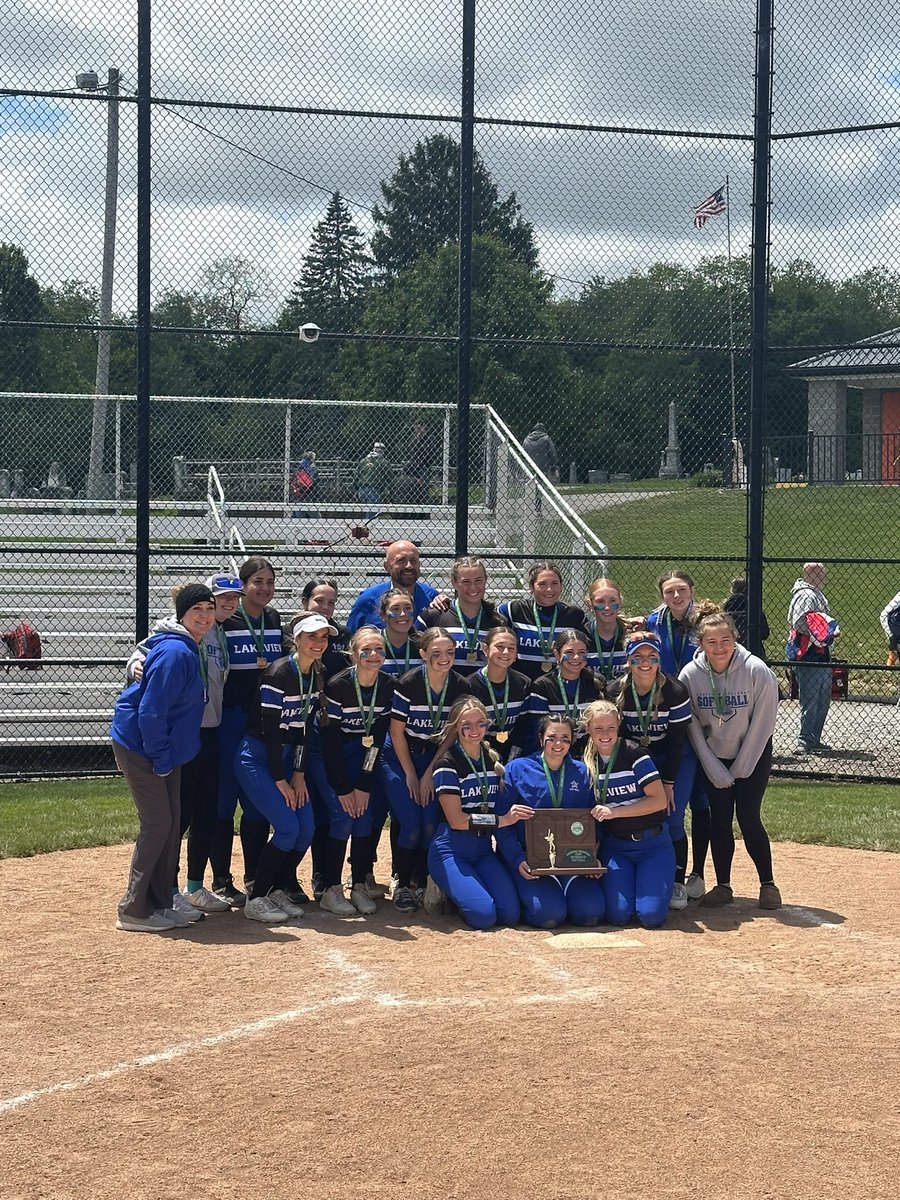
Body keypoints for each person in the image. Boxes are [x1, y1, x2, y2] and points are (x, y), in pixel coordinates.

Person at [125, 574, 244, 916]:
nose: (224, 604)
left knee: (205, 810)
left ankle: (194, 886)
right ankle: (169, 888)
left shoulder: (221, 631)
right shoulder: (175, 633)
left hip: (211, 730)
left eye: (228, 599)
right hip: (184, 731)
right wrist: (134, 662)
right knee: (179, 814)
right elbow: (144, 651)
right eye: (217, 599)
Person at [110, 583, 216, 932]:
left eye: (208, 607)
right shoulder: (177, 652)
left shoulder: (189, 646)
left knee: (170, 826)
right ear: (182, 614)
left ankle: (159, 902)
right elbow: (151, 712)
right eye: (196, 608)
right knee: (158, 825)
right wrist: (160, 758)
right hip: (144, 747)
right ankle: (134, 909)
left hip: (163, 748)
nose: (204, 614)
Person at [679, 607, 782, 910]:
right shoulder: (691, 675)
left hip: (753, 754)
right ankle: (723, 885)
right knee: (719, 821)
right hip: (715, 758)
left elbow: (764, 723)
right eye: (712, 642)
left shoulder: (757, 670)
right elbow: (693, 726)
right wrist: (714, 768)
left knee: (749, 817)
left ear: (735, 639)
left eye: (726, 640)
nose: (719, 647)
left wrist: (740, 768)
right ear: (701, 645)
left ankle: (768, 883)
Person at [234, 611, 334, 923]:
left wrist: (299, 775)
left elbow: (303, 727)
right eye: (311, 637)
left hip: (288, 758)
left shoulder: (316, 673)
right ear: (297, 640)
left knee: (306, 830)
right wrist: (280, 779)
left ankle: (277, 888)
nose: (319, 643)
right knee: (288, 827)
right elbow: (270, 731)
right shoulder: (279, 673)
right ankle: (257, 897)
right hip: (259, 756)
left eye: (324, 637)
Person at [212, 556, 286, 907]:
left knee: (257, 803)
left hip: (261, 721)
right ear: (242, 586)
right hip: (230, 716)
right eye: (257, 581)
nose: (265, 588)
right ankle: (221, 879)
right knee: (223, 800)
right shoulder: (226, 618)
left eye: (270, 582)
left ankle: (256, 874)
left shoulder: (273, 619)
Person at [305, 627, 395, 917]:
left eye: (379, 650)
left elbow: (377, 739)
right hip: (328, 754)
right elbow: (329, 741)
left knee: (364, 815)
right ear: (353, 654)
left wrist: (364, 784)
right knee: (343, 814)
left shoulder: (387, 685)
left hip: (360, 751)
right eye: (366, 650)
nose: (373, 655)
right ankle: (331, 889)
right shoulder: (338, 685)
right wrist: (344, 788)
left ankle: (358, 884)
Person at [378, 628, 468, 913]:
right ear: (423, 654)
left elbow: (452, 735)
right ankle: (401, 883)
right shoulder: (409, 682)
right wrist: (411, 774)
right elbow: (396, 732)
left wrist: (429, 772)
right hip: (399, 757)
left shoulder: (459, 685)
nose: (444, 658)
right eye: (436, 653)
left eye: (450, 653)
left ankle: (422, 881)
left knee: (430, 823)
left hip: (433, 757)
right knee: (411, 822)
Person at [606, 631, 695, 911]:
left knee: (673, 816)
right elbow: (616, 737)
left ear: (659, 660)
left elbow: (677, 739)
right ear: (628, 661)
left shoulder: (675, 690)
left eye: (652, 657)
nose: (645, 663)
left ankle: (677, 880)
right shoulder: (615, 690)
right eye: (638, 657)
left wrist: (668, 782)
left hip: (672, 756)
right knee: (633, 809)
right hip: (634, 760)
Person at [426, 697, 529, 929]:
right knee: (484, 916)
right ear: (455, 727)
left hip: (482, 849)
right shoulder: (447, 763)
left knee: (510, 914)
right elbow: (458, 820)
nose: (475, 730)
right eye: (466, 725)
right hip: (451, 848)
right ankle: (444, 888)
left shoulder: (492, 760)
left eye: (480, 723)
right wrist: (503, 820)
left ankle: (464, 891)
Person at [497, 714, 604, 928]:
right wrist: (518, 859)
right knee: (549, 916)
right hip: (531, 862)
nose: (558, 744)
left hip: (571, 861)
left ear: (572, 741)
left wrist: (592, 856)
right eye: (552, 737)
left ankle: (565, 896)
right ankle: (523, 897)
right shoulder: (517, 769)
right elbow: (502, 823)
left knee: (591, 914)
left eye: (565, 738)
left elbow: (593, 821)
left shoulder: (582, 772)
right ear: (540, 739)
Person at [582, 699, 674, 929]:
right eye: (598, 728)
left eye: (611, 728)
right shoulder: (585, 761)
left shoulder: (635, 754)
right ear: (588, 729)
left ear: (618, 726)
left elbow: (659, 800)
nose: (605, 734)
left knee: (650, 917)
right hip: (616, 847)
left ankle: (654, 887)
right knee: (618, 915)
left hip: (652, 844)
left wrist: (614, 812)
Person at [416, 556, 504, 676]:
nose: (473, 587)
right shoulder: (434, 615)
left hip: (482, 692)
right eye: (466, 582)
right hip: (444, 691)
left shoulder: (497, 621)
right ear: (454, 583)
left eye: (478, 580)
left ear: (485, 581)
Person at [498, 561, 586, 680]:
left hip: (558, 686)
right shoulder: (513, 611)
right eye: (542, 584)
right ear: (531, 586)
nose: (549, 589)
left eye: (554, 583)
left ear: (561, 586)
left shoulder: (574, 615)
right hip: (519, 684)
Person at [527, 629, 603, 757]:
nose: (576, 657)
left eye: (581, 653)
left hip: (589, 752)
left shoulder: (595, 682)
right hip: (554, 752)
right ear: (556, 654)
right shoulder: (542, 686)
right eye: (569, 652)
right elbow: (539, 730)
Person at [787, 562, 836, 757]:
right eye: (822, 573)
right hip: (808, 652)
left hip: (820, 652)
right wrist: (821, 631)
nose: (825, 576)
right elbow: (799, 622)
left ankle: (814, 738)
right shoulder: (806, 595)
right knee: (811, 698)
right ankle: (805, 739)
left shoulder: (815, 593)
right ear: (813, 573)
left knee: (822, 698)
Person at [464, 626, 531, 762]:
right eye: (499, 646)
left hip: (511, 753)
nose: (506, 652)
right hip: (478, 751)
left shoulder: (523, 683)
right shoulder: (469, 685)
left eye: (511, 648)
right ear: (485, 649)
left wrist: (513, 758)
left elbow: (522, 726)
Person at [346, 539, 444, 632]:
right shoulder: (368, 600)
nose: (409, 566)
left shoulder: (432, 598)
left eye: (413, 560)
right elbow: (350, 640)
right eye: (401, 560)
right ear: (387, 566)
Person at [585, 577, 629, 683]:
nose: (607, 607)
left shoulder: (631, 634)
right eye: (600, 602)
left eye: (612, 601)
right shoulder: (582, 635)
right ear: (590, 604)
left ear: (620, 601)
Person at [723, 577, 770, 647]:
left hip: (731, 646)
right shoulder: (754, 607)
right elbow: (765, 633)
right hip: (754, 647)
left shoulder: (725, 607)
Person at [355, 441, 393, 508]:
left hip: (362, 488)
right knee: (372, 511)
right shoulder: (384, 462)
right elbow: (390, 478)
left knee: (363, 510)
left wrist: (356, 488)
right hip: (374, 488)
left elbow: (356, 475)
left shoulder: (363, 461)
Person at [408, 421, 436, 501]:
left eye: (421, 426)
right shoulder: (413, 439)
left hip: (424, 466)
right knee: (411, 484)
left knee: (423, 486)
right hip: (413, 465)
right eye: (416, 426)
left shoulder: (430, 439)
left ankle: (424, 501)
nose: (418, 428)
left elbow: (431, 453)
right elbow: (411, 451)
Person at [880, 589, 900, 666]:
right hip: (895, 625)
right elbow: (883, 615)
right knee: (895, 647)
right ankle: (888, 668)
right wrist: (891, 636)